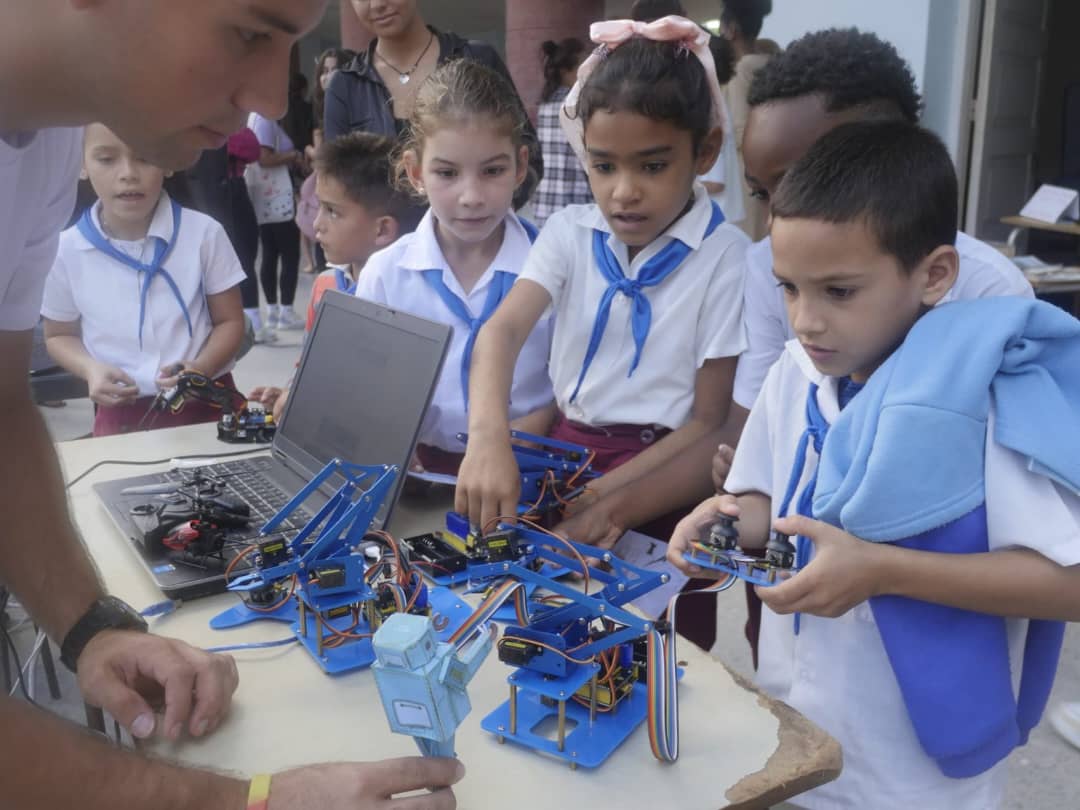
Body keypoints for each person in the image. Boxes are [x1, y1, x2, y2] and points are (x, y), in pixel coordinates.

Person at [0, 0, 463, 806]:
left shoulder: (39, 145)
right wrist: (243, 800)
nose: (273, 100)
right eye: (251, 31)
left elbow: (2, 406)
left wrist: (90, 627)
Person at [669, 120, 1080, 809]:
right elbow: (764, 506)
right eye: (789, 288)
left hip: (915, 775)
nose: (805, 321)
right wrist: (719, 529)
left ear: (934, 275)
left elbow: (1067, 584)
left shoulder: (982, 399)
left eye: (838, 291)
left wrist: (884, 570)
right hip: (794, 738)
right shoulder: (796, 374)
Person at [707, 29, 1036, 667]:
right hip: (798, 656)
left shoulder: (997, 317)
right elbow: (765, 469)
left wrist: (881, 570)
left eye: (810, 178)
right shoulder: (789, 321)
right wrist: (729, 508)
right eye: (762, 192)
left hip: (922, 698)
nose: (781, 216)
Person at [455, 18, 748, 649]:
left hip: (666, 481)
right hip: (566, 457)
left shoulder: (726, 256)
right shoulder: (568, 233)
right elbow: (500, 334)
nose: (624, 192)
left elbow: (709, 422)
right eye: (603, 165)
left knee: (658, 650)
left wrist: (609, 498)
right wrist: (488, 438)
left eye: (653, 164)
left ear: (704, 151)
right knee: (548, 631)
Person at [355, 60, 556, 475]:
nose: (471, 196)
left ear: (520, 166)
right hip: (417, 471)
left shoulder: (555, 264)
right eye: (447, 172)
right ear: (415, 172)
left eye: (493, 170)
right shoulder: (386, 273)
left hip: (533, 470)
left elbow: (573, 388)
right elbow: (370, 386)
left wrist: (512, 440)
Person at [42, 124, 246, 436]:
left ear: (168, 162)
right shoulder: (64, 251)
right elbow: (58, 335)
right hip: (122, 415)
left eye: (145, 158)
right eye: (107, 159)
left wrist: (200, 369)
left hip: (207, 405)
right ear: (81, 164)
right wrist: (90, 369)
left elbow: (231, 321)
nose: (128, 173)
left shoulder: (204, 234)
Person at [251, 131, 423, 421]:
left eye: (332, 212)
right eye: (320, 207)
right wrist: (290, 395)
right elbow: (308, 365)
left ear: (382, 229)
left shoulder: (415, 298)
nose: (317, 224)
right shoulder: (325, 287)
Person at [324, 0, 543, 209]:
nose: (378, 4)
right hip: (383, 243)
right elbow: (338, 182)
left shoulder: (475, 59)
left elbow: (527, 151)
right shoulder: (346, 85)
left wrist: (489, 216)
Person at [185, 128, 273, 342]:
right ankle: (249, 319)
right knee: (238, 255)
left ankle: (250, 319)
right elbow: (250, 148)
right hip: (217, 191)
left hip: (226, 188)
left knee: (242, 254)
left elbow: (251, 150)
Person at [719, 0, 773, 241]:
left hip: (744, 172)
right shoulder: (769, 60)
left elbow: (742, 130)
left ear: (731, 29)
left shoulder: (743, 69)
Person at [248, 111, 306, 331]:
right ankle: (284, 311)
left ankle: (274, 310)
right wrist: (293, 156)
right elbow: (264, 158)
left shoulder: (252, 118)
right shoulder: (264, 120)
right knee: (289, 254)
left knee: (270, 254)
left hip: (264, 198)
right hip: (276, 197)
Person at [532, 38, 592, 227]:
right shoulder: (580, 105)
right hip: (577, 201)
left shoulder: (544, 105)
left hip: (545, 203)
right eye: (583, 66)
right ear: (566, 71)